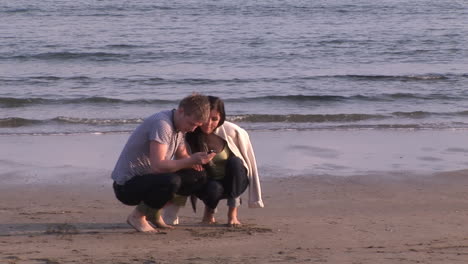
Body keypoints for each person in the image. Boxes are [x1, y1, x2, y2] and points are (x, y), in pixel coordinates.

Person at [111, 94, 216, 233]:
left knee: (197, 176)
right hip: (126, 186)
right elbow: (158, 166)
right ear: (181, 111)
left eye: (197, 126)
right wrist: (190, 160)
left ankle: (153, 213)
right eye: (191, 124)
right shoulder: (162, 124)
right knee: (171, 180)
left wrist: (199, 160)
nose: (192, 129)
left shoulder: (179, 126)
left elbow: (182, 156)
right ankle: (137, 217)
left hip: (149, 179)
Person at [164, 96, 264, 226]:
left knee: (235, 162)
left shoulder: (232, 132)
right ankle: (209, 213)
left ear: (221, 118)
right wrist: (170, 216)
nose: (209, 123)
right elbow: (181, 172)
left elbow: (248, 164)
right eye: (206, 118)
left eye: (215, 119)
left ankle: (232, 215)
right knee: (213, 187)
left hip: (235, 180)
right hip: (208, 184)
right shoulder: (188, 133)